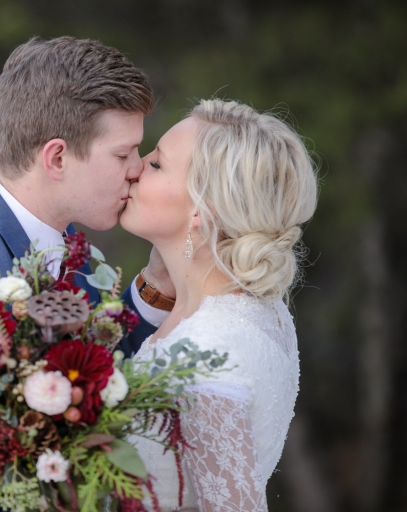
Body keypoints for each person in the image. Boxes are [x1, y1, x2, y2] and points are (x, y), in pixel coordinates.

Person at [0, 36, 177, 512]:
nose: (138, 169)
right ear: (57, 158)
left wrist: (155, 289)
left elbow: (87, 376)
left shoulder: (43, 223)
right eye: (123, 154)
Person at [121, 99, 318, 511]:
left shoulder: (208, 350)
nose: (135, 168)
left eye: (156, 164)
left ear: (202, 209)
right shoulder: (258, 311)